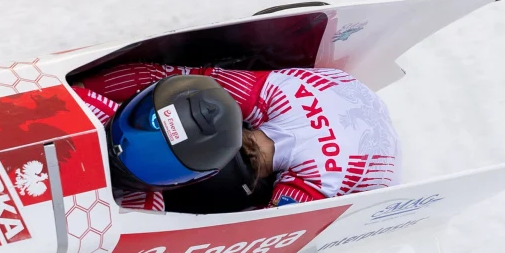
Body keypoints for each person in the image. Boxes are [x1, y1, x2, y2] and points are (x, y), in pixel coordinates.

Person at [71, 63, 400, 212]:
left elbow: (266, 233)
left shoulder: (316, 180)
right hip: (328, 87)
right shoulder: (271, 93)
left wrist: (78, 91)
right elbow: (174, 81)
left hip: (373, 166)